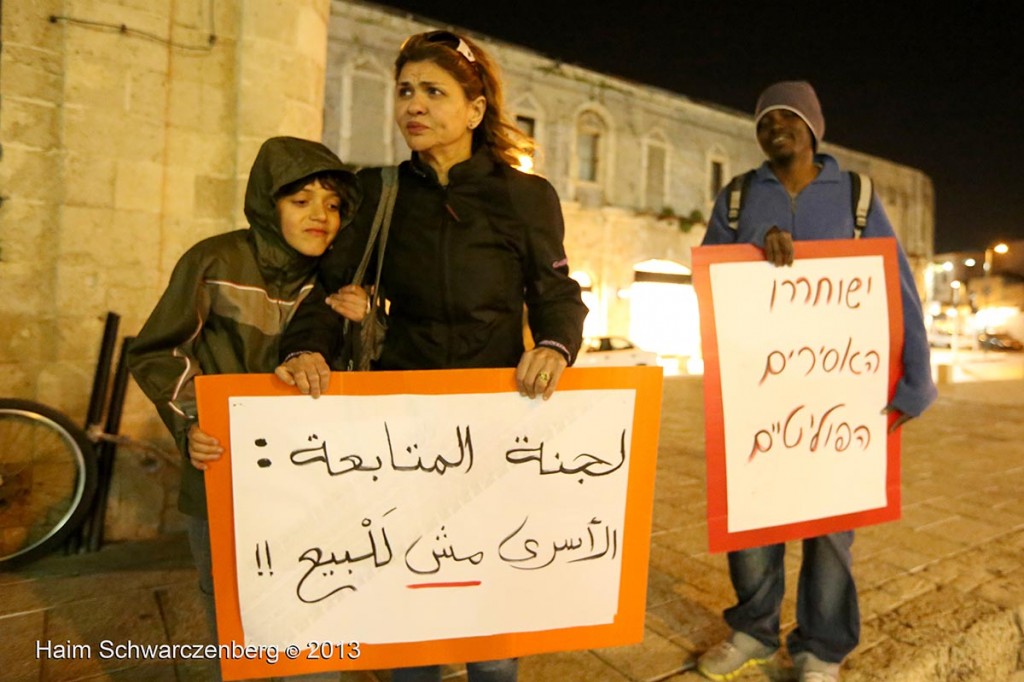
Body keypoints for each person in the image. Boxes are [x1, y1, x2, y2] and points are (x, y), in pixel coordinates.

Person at [277, 31, 588, 682]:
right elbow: (330, 293)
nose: (413, 105)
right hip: (398, 430)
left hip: (496, 429)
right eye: (405, 91)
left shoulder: (526, 198)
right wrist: (308, 348)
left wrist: (557, 346)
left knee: (491, 623)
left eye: (433, 92)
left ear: (476, 110)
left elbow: (558, 294)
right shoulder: (378, 193)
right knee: (406, 610)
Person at [697, 81, 937, 682]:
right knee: (753, 522)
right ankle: (752, 631)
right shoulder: (737, 197)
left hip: (842, 399)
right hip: (759, 395)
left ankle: (820, 648)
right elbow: (709, 283)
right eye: (764, 120)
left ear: (812, 127)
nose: (775, 127)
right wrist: (754, 246)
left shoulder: (856, 195)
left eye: (788, 117)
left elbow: (896, 287)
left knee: (831, 532)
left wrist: (915, 383)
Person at [127, 136, 363, 637]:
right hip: (223, 475)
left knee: (316, 612)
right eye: (301, 201)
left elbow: (366, 372)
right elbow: (159, 350)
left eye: (333, 204)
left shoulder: (340, 283)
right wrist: (192, 422)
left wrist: (369, 323)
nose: (319, 214)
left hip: (314, 484)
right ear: (266, 203)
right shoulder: (214, 262)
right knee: (237, 617)